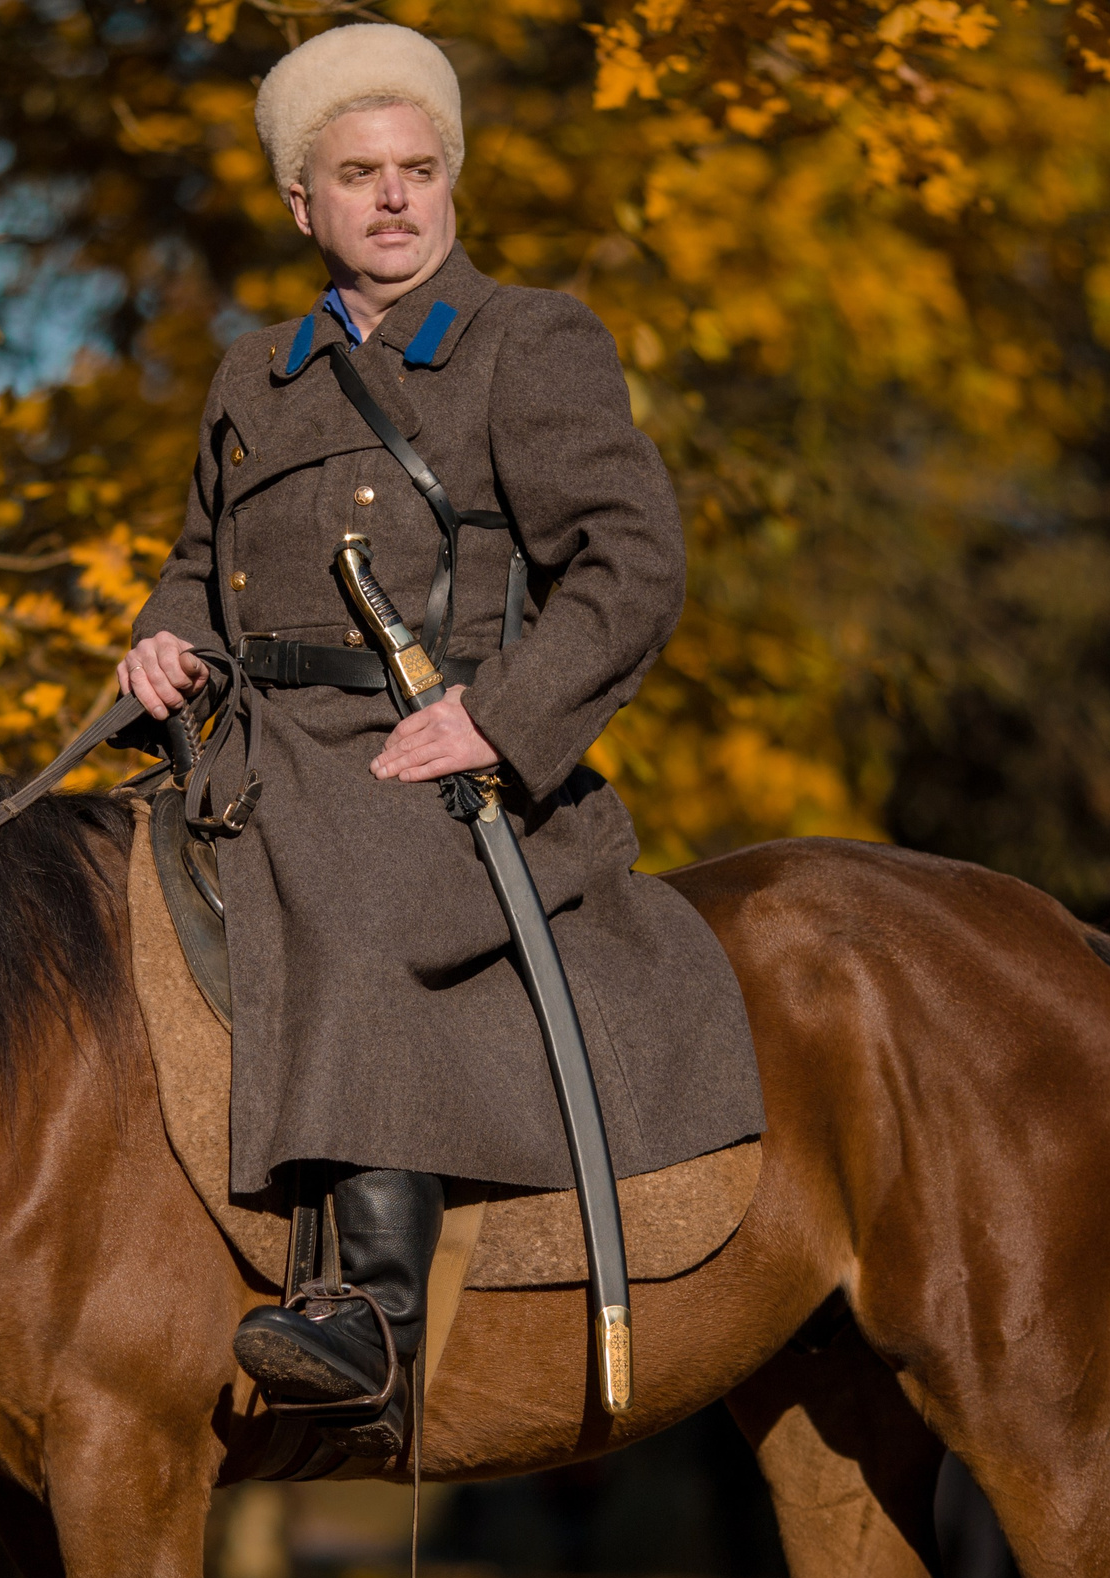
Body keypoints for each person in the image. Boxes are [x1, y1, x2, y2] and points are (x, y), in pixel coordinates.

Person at [118, 24, 764, 1450]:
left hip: (442, 755)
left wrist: (498, 716)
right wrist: (161, 640)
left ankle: (372, 1322)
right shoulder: (250, 374)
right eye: (360, 175)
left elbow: (631, 559)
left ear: (452, 185)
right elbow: (197, 565)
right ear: (305, 206)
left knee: (353, 897)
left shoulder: (525, 342)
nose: (395, 198)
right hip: (252, 743)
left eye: (420, 170)